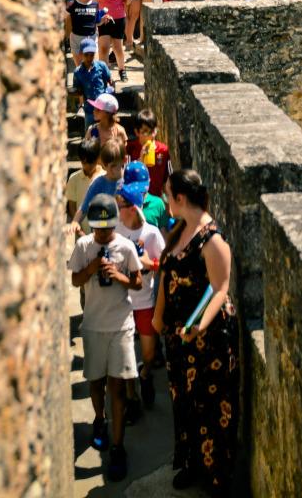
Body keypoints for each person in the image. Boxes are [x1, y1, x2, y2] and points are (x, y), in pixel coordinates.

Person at [154, 168, 238, 492]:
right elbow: (167, 272)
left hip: (210, 341)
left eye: (167, 193)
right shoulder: (180, 229)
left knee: (212, 408)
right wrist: (159, 315)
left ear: (180, 198)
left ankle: (216, 476)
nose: (165, 198)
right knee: (186, 402)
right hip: (180, 338)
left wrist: (197, 327)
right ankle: (192, 464)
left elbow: (221, 289)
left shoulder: (212, 238)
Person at [70, 192, 141, 481]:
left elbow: (137, 282)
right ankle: (99, 419)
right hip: (93, 325)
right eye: (97, 229)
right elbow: (75, 279)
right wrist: (91, 269)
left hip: (121, 325)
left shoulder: (125, 247)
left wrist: (118, 275)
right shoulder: (84, 246)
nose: (102, 234)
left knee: (118, 387)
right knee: (95, 382)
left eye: (106, 228)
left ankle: (117, 447)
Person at [117, 166, 167, 418]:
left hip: (145, 301)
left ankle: (145, 375)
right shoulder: (114, 231)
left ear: (133, 207)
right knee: (125, 356)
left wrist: (149, 264)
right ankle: (131, 396)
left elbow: (165, 265)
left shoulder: (151, 233)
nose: (118, 207)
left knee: (148, 354)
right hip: (121, 304)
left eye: (122, 204)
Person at [96, 0, 131, 72]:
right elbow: (95, 1)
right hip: (104, 19)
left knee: (118, 48)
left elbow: (128, 2)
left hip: (119, 19)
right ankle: (104, 73)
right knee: (103, 48)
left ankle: (122, 70)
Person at [130, 108, 170, 205]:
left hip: (156, 201)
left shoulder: (163, 150)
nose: (150, 136)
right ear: (137, 132)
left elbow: (167, 179)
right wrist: (140, 160)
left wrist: (169, 203)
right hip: (136, 200)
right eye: (145, 131)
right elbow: (126, 178)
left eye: (152, 131)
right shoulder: (130, 149)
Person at [82, 142, 126, 215]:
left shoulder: (130, 179)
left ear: (124, 160)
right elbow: (84, 208)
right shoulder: (99, 183)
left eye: (113, 166)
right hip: (105, 224)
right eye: (105, 165)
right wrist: (75, 222)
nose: (109, 170)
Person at [67, 137, 101, 228]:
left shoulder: (105, 177)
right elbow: (72, 207)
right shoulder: (73, 179)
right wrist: (78, 227)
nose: (88, 166)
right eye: (85, 163)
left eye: (91, 162)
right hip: (81, 233)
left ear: (98, 158)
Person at [72, 37, 113, 112]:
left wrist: (109, 91)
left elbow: (110, 81)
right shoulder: (77, 72)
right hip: (89, 109)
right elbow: (77, 90)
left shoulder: (102, 66)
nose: (89, 58)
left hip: (103, 108)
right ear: (81, 54)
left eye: (92, 55)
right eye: (86, 55)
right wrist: (75, 92)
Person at [68, 0, 102, 66]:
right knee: (79, 68)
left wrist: (103, 19)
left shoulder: (95, 4)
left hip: (91, 38)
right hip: (76, 38)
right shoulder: (72, 5)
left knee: (92, 67)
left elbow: (97, 22)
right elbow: (66, 21)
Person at [85, 91, 128, 158]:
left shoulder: (119, 131)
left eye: (98, 109)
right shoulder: (92, 130)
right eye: (94, 108)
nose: (94, 111)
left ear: (107, 113)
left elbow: (123, 154)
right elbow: (87, 152)